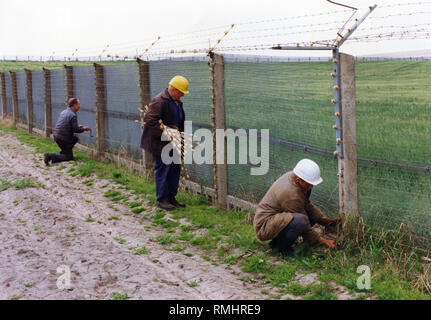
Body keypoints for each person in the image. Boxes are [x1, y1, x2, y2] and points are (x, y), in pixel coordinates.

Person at [253, 158, 340, 256]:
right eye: (310, 184)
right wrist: (324, 241)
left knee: (304, 218)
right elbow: (304, 223)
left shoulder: (296, 178)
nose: (311, 186)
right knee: (300, 220)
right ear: (299, 180)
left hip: (278, 218)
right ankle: (281, 248)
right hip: (264, 226)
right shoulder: (291, 195)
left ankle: (279, 242)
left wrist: (326, 222)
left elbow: (306, 205)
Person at [141, 75, 189, 211]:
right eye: (181, 93)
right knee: (163, 170)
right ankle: (162, 199)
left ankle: (171, 197)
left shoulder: (176, 101)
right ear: (174, 90)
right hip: (161, 144)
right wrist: (166, 135)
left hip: (174, 142)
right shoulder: (159, 101)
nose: (182, 95)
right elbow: (149, 121)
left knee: (174, 170)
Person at [44, 98, 91, 165]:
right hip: (64, 138)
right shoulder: (73, 115)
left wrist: (78, 126)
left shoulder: (63, 112)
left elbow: (66, 125)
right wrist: (84, 129)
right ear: (74, 105)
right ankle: (50, 156)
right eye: (78, 105)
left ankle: (64, 151)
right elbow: (76, 130)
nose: (79, 106)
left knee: (74, 138)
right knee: (69, 157)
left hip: (56, 136)